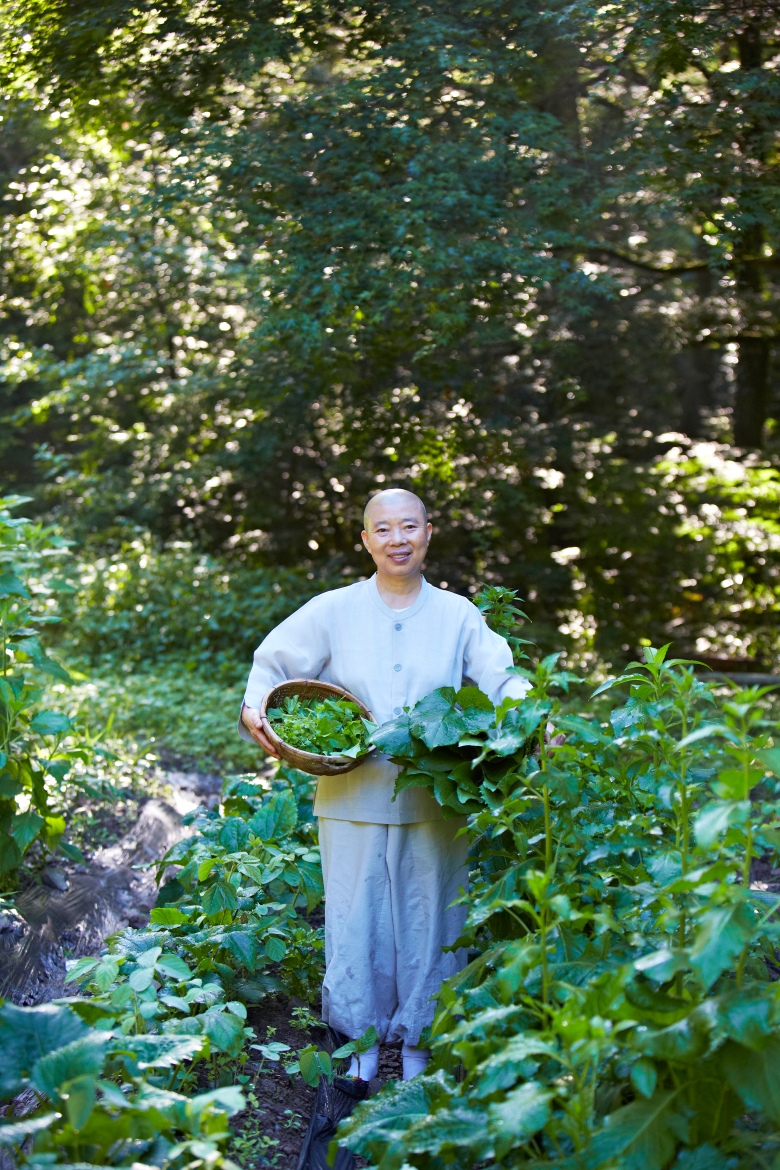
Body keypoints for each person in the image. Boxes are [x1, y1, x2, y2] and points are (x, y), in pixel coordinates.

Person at [239, 488, 529, 1083]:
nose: (397, 539)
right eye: (383, 529)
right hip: (351, 796)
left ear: (428, 532)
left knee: (435, 920)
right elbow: (273, 663)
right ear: (365, 540)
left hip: (436, 796)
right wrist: (254, 708)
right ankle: (362, 1044)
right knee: (354, 919)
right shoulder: (333, 609)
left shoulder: (456, 615)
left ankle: (421, 1046)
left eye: (409, 527)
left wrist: (528, 720)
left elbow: (503, 677)